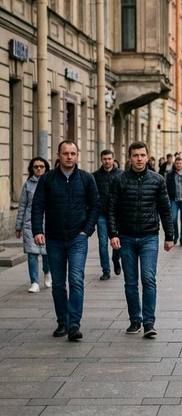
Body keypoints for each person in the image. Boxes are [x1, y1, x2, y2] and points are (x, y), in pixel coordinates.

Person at [31, 141, 99, 341]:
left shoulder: (86, 179)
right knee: (59, 283)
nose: (69, 157)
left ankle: (74, 324)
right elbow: (38, 206)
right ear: (58, 155)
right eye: (65, 153)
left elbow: (95, 205)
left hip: (78, 238)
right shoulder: (48, 179)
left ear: (77, 155)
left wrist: (87, 230)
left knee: (76, 280)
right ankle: (62, 321)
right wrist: (37, 230)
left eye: (73, 153)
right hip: (54, 239)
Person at [108, 142, 175, 338]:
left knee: (148, 279)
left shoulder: (157, 180)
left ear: (147, 157)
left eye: (142, 155)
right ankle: (134, 320)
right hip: (126, 237)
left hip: (149, 237)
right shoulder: (119, 180)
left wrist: (169, 236)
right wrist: (113, 234)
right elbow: (111, 209)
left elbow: (165, 209)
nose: (139, 159)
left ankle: (148, 322)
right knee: (130, 282)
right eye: (135, 155)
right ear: (130, 158)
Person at [16, 157, 51, 293]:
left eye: (41, 166)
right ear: (32, 168)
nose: (39, 169)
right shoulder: (28, 185)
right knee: (32, 254)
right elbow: (22, 206)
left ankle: (47, 273)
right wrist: (18, 226)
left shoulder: (51, 182)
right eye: (36, 167)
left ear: (46, 168)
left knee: (47, 253)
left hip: (49, 223)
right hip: (30, 224)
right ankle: (34, 282)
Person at [93, 149, 123, 280]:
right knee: (102, 243)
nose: (107, 161)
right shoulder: (94, 176)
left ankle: (116, 259)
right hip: (102, 214)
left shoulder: (121, 175)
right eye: (104, 159)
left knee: (117, 241)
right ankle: (106, 270)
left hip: (118, 214)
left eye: (109, 159)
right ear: (101, 160)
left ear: (113, 159)